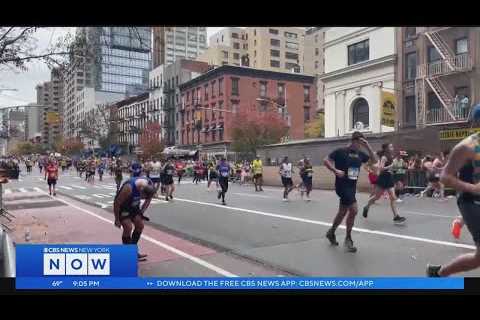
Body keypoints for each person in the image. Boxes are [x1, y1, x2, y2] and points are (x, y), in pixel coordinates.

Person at [427, 105, 480, 277]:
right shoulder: (467, 147)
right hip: (471, 201)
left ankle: (439, 272)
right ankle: (441, 273)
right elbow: (445, 177)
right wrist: (472, 188)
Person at [324, 131, 377, 253]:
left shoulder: (360, 154)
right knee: (354, 209)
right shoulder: (341, 151)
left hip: (352, 187)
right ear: (354, 141)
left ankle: (331, 232)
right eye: (360, 142)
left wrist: (368, 146)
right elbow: (325, 160)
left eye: (362, 143)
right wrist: (335, 170)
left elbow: (374, 161)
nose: (360, 145)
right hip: (342, 186)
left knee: (342, 212)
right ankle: (348, 238)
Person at [362, 143, 407, 225]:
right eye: (390, 146)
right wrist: (390, 166)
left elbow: (391, 167)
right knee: (377, 197)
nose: (392, 148)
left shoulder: (391, 156)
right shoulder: (384, 157)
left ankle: (396, 216)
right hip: (383, 178)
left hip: (389, 177)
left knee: (393, 197)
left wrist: (393, 168)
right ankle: (366, 206)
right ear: (386, 148)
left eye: (392, 146)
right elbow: (381, 168)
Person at [114, 175, 155, 261]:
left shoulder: (150, 185)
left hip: (134, 206)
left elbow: (148, 201)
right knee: (128, 227)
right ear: (141, 190)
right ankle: (127, 252)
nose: (143, 199)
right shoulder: (128, 188)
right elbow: (117, 203)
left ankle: (132, 251)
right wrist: (117, 219)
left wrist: (141, 212)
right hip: (124, 206)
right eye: (142, 197)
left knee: (140, 226)